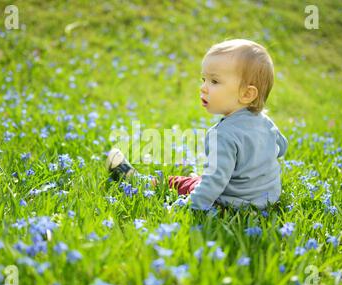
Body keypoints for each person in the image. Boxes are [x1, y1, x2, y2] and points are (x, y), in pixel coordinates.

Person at [106, 39, 288, 212]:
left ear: (247, 94)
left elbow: (215, 182)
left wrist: (188, 206)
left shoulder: (223, 134)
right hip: (266, 199)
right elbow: (282, 148)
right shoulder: (266, 122)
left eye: (214, 81)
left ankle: (140, 182)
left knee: (180, 182)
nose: (203, 88)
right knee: (206, 178)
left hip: (230, 204)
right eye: (204, 80)